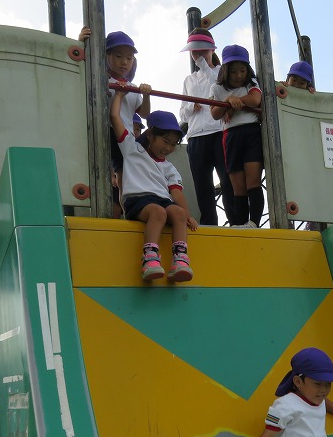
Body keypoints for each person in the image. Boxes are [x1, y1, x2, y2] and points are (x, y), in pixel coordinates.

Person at [110, 90, 198, 282]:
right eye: (165, 141)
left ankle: (180, 260)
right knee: (159, 213)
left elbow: (176, 193)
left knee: (178, 214)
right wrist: (119, 95)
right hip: (137, 199)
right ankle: (149, 259)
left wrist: (188, 214)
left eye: (173, 144)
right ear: (150, 135)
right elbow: (115, 117)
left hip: (161, 200)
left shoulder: (169, 168)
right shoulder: (132, 149)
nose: (168, 148)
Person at [79, 28, 152, 217]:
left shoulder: (133, 88)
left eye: (129, 58)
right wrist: (81, 43)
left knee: (123, 180)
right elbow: (80, 66)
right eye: (118, 56)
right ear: (106, 55)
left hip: (125, 137)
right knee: (101, 174)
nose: (124, 62)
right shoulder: (98, 77)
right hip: (104, 132)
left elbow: (144, 114)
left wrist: (146, 95)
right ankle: (103, 213)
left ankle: (127, 213)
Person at [179, 28, 236, 226]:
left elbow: (219, 88)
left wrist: (204, 65)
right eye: (195, 51)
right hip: (195, 135)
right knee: (202, 185)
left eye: (203, 50)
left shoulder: (222, 72)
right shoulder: (189, 80)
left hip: (220, 131)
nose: (198, 55)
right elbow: (182, 114)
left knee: (228, 180)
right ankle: (209, 223)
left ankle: (235, 221)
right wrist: (190, 106)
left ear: (212, 50)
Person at [210, 45, 264, 228]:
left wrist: (235, 103)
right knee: (238, 186)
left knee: (253, 181)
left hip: (251, 133)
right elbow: (215, 113)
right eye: (233, 72)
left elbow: (256, 99)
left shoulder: (251, 84)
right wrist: (227, 102)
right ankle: (241, 224)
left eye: (242, 70)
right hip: (230, 136)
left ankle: (254, 222)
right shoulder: (217, 89)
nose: (238, 75)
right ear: (225, 71)